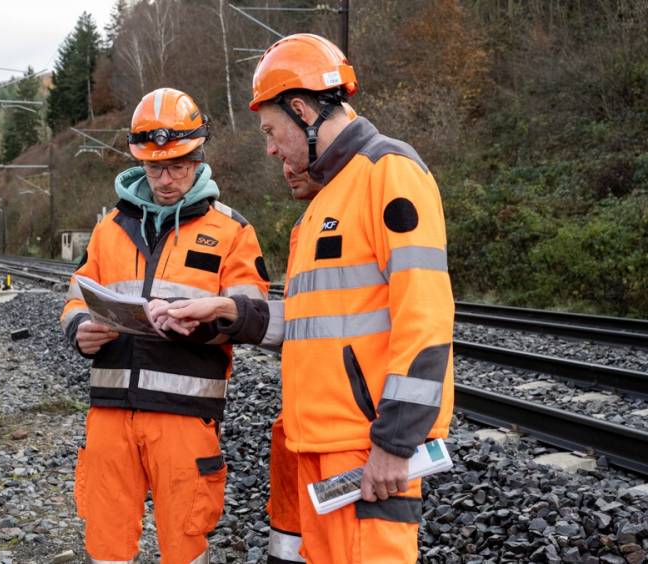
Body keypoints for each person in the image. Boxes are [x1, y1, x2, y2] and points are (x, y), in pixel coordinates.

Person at [150, 34, 455, 564]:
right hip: (321, 442)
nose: (271, 149)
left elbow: (425, 316)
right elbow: (318, 319)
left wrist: (395, 442)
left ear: (301, 110)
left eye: (271, 131)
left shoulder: (389, 173)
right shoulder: (328, 198)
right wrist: (229, 311)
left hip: (366, 446)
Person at [60, 87, 270, 564]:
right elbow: (75, 296)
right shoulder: (110, 228)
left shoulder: (231, 232)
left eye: (177, 166)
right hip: (110, 414)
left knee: (185, 546)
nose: (166, 179)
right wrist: (80, 329)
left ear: (198, 158)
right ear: (140, 162)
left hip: (184, 417)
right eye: (155, 168)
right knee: (106, 545)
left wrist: (204, 320)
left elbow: (255, 314)